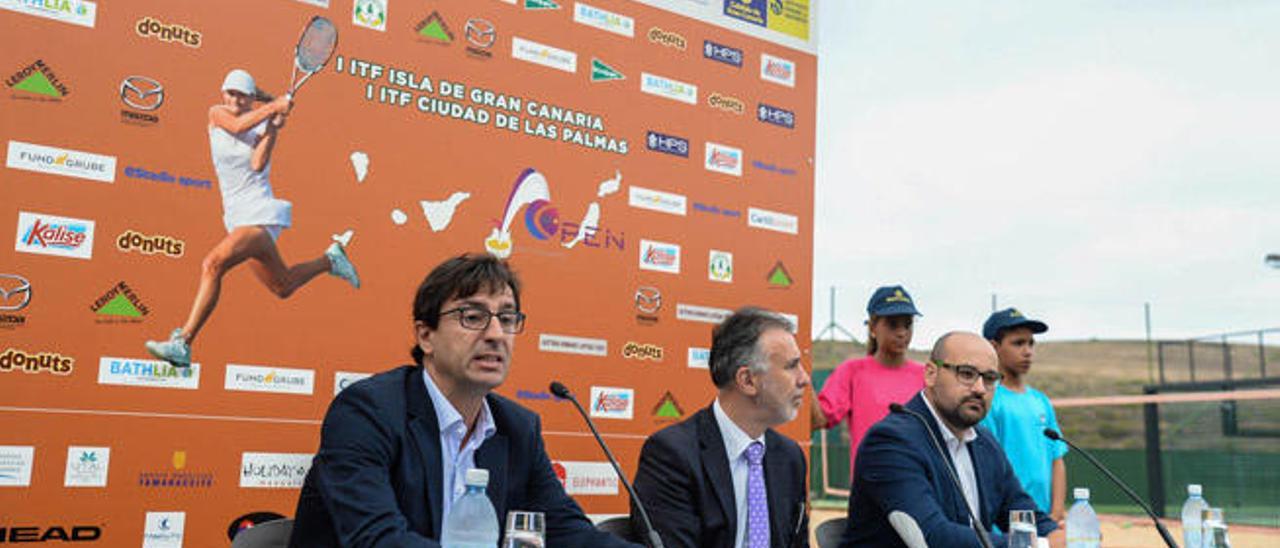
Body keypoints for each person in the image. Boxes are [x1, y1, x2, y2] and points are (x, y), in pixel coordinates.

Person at [288, 254, 637, 547]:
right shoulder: (368, 412)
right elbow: (379, 540)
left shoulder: (518, 428)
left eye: (507, 317)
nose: (496, 334)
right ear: (426, 336)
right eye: (473, 317)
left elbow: (569, 533)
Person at [145, 68, 359, 366]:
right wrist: (273, 108)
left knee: (213, 263)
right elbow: (234, 127)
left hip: (260, 214)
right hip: (236, 216)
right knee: (282, 287)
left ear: (249, 98)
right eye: (230, 93)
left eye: (241, 95)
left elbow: (258, 164)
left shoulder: (260, 125)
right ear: (224, 94)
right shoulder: (217, 114)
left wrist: (273, 124)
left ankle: (183, 343)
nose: (234, 99)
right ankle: (331, 260)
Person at [841, 332, 1063, 547]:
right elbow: (933, 537)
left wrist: (1062, 537)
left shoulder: (985, 442)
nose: (979, 389)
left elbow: (1021, 511)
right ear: (930, 374)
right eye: (966, 374)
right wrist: (1042, 545)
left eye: (989, 379)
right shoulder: (891, 443)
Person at [633, 307, 811, 548]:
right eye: (791, 366)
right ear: (747, 381)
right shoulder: (673, 455)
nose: (804, 379)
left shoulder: (789, 457)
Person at [812, 285, 925, 475]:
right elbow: (820, 418)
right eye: (892, 324)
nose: (902, 332)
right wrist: (800, 378)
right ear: (873, 327)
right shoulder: (852, 372)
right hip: (869, 486)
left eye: (907, 324)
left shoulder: (925, 377)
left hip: (919, 483)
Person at [979, 308, 1068, 521]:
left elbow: (1057, 459)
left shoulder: (1040, 400)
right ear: (993, 347)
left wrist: (1055, 513)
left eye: (1031, 343)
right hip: (1007, 522)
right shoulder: (988, 399)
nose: (1027, 351)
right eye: (1018, 343)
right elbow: (987, 467)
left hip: (1044, 519)